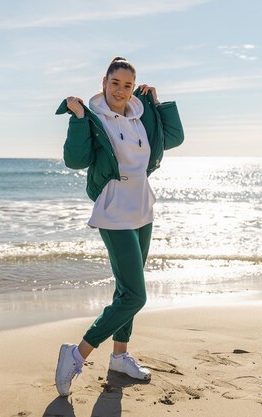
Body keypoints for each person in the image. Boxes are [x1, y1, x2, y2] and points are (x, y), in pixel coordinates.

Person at [54, 56, 184, 397]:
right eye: (115, 84)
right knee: (135, 295)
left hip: (142, 206)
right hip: (114, 209)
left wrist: (158, 103)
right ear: (104, 83)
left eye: (128, 85)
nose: (121, 91)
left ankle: (120, 356)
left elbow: (174, 138)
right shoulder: (95, 117)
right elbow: (75, 160)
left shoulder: (141, 115)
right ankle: (76, 354)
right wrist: (79, 118)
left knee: (126, 289)